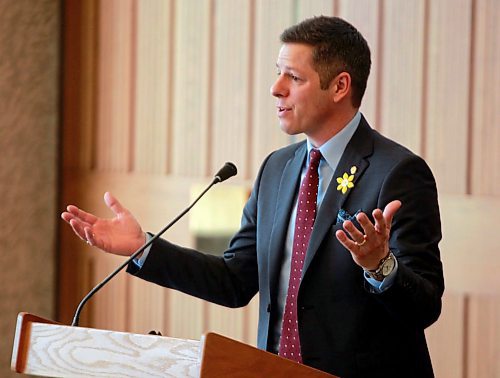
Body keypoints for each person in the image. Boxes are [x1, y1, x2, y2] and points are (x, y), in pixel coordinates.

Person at [62, 16, 443, 377]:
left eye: (294, 77)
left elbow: (424, 307)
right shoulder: (277, 170)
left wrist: (380, 266)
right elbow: (234, 281)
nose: (276, 88)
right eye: (278, 73)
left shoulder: (397, 173)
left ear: (340, 86)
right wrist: (143, 248)